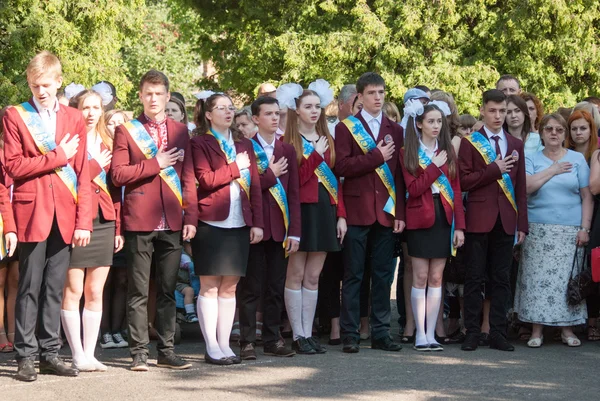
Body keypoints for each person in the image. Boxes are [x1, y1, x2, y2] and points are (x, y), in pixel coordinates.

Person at [4, 51, 92, 381]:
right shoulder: (15, 116)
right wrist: (57, 157)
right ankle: (26, 356)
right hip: (32, 211)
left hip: (66, 212)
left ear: (58, 82)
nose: (40, 91)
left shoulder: (73, 118)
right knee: (28, 285)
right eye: (33, 85)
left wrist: (84, 220)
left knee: (55, 287)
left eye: (45, 85)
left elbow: (83, 173)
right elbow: (13, 167)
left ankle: (49, 353)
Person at [112, 69, 198, 371]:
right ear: (140, 95)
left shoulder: (180, 130)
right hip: (139, 220)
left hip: (173, 220)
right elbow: (118, 174)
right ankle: (138, 353)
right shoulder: (127, 130)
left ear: (167, 96)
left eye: (159, 94)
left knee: (167, 288)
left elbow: (187, 175)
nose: (153, 98)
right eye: (148, 93)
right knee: (138, 291)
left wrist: (192, 214)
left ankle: (167, 351)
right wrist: (155, 163)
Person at [190, 93, 263, 365]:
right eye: (221, 108)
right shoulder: (199, 143)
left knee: (230, 286)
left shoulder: (244, 144)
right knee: (209, 285)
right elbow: (205, 179)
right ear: (208, 114)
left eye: (230, 107)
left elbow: (255, 185)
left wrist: (257, 222)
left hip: (239, 221)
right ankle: (211, 346)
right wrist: (235, 168)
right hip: (211, 221)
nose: (228, 112)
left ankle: (224, 343)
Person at [335, 72, 406, 353]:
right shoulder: (346, 128)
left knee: (383, 276)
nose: (378, 98)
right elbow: (341, 167)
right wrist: (376, 156)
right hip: (356, 210)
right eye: (372, 93)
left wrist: (399, 212)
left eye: (381, 92)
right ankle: (350, 333)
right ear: (360, 98)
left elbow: (399, 175)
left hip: (386, 213)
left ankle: (381, 333)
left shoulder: (395, 129)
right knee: (353, 275)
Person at [458, 89, 528, 352]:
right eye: (493, 111)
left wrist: (522, 224)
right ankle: (473, 332)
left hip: (507, 219)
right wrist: (492, 170)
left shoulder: (515, 144)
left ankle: (498, 333)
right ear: (483, 110)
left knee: (501, 278)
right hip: (479, 217)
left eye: (503, 111)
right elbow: (464, 181)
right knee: (474, 277)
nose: (499, 116)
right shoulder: (470, 142)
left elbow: (520, 188)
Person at [514, 113, 592, 347]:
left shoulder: (577, 159)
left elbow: (587, 196)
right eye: (549, 129)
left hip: (570, 230)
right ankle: (536, 330)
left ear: (565, 134)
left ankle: (567, 330)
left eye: (559, 130)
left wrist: (584, 228)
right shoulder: (532, 158)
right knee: (537, 281)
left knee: (564, 282)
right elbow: (527, 187)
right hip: (538, 228)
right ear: (542, 133)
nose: (554, 134)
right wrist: (553, 170)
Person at [60, 90, 124, 372]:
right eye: (85, 107)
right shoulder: (68, 140)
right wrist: (95, 163)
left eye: (96, 107)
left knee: (95, 290)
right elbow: (70, 177)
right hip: (74, 219)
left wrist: (119, 227)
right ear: (77, 109)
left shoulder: (111, 142)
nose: (90, 112)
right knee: (73, 289)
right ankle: (76, 353)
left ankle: (90, 352)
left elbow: (117, 190)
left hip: (104, 220)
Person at [281, 80, 347, 354]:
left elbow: (335, 181)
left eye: (317, 107)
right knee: (295, 274)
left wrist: (341, 215)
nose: (314, 111)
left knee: (314, 276)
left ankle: (309, 333)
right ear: (296, 110)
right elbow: (293, 183)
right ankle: (297, 334)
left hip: (324, 211)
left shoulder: (327, 139)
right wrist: (315, 157)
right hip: (300, 211)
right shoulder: (288, 142)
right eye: (308, 106)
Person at [238, 95, 300, 360]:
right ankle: (247, 341)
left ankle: (273, 338)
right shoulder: (245, 148)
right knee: (251, 287)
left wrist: (295, 230)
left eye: (277, 114)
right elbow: (247, 190)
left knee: (276, 286)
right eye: (268, 114)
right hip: (255, 228)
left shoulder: (286, 149)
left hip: (281, 228)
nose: (275, 118)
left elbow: (294, 193)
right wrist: (270, 173)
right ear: (255, 118)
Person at [400, 102, 465, 351]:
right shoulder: (409, 151)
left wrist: (460, 226)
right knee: (420, 276)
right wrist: (435, 167)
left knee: (437, 277)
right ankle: (420, 334)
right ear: (419, 124)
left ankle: (431, 334)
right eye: (431, 121)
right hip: (419, 216)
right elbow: (414, 189)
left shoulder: (447, 150)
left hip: (444, 216)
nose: (436, 126)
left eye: (439, 121)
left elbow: (456, 191)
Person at [99, 108, 130, 349]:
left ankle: (118, 329)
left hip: (128, 223)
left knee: (122, 280)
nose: (116, 126)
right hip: (107, 222)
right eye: (112, 122)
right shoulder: (101, 152)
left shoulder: (132, 152)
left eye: (121, 122)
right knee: (104, 280)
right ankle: (104, 330)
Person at [176, 242, 199, 323]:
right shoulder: (182, 255)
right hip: (180, 282)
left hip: (194, 281)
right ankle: (190, 314)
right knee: (189, 291)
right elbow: (189, 265)